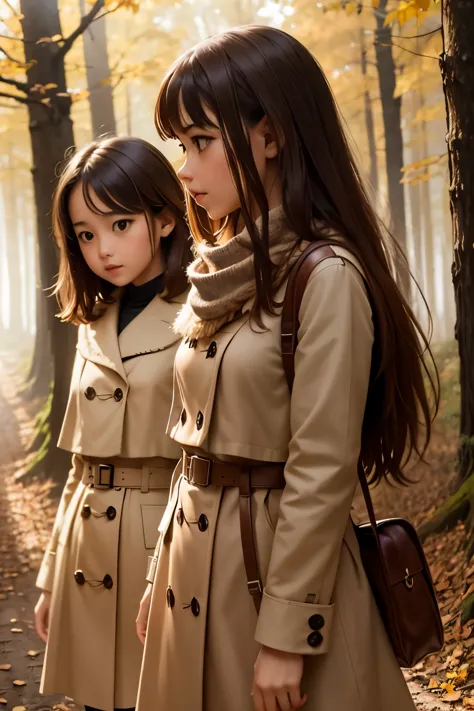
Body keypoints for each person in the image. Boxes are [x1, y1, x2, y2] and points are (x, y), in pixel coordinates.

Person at [136, 26, 438, 711]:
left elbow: (321, 469)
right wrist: (162, 567)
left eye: (201, 142)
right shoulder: (219, 273)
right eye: (181, 145)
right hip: (195, 572)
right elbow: (194, 452)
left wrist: (286, 635)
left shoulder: (324, 275)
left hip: (272, 582)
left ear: (269, 135)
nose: (184, 168)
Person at [34, 135, 192, 711]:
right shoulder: (92, 319)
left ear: (166, 217)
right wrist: (52, 574)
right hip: (87, 547)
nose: (103, 248)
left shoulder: (205, 311)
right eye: (85, 233)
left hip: (168, 540)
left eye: (120, 224)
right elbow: (79, 465)